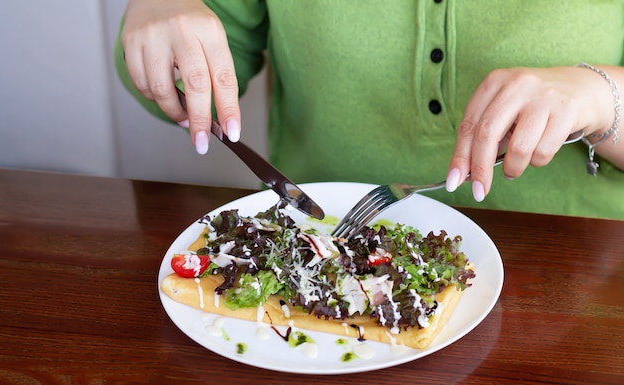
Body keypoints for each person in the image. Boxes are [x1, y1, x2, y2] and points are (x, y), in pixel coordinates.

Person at [114, 0, 624, 220]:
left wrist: (602, 97)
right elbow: (192, 70)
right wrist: (158, 21)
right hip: (318, 264)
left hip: (579, 283)